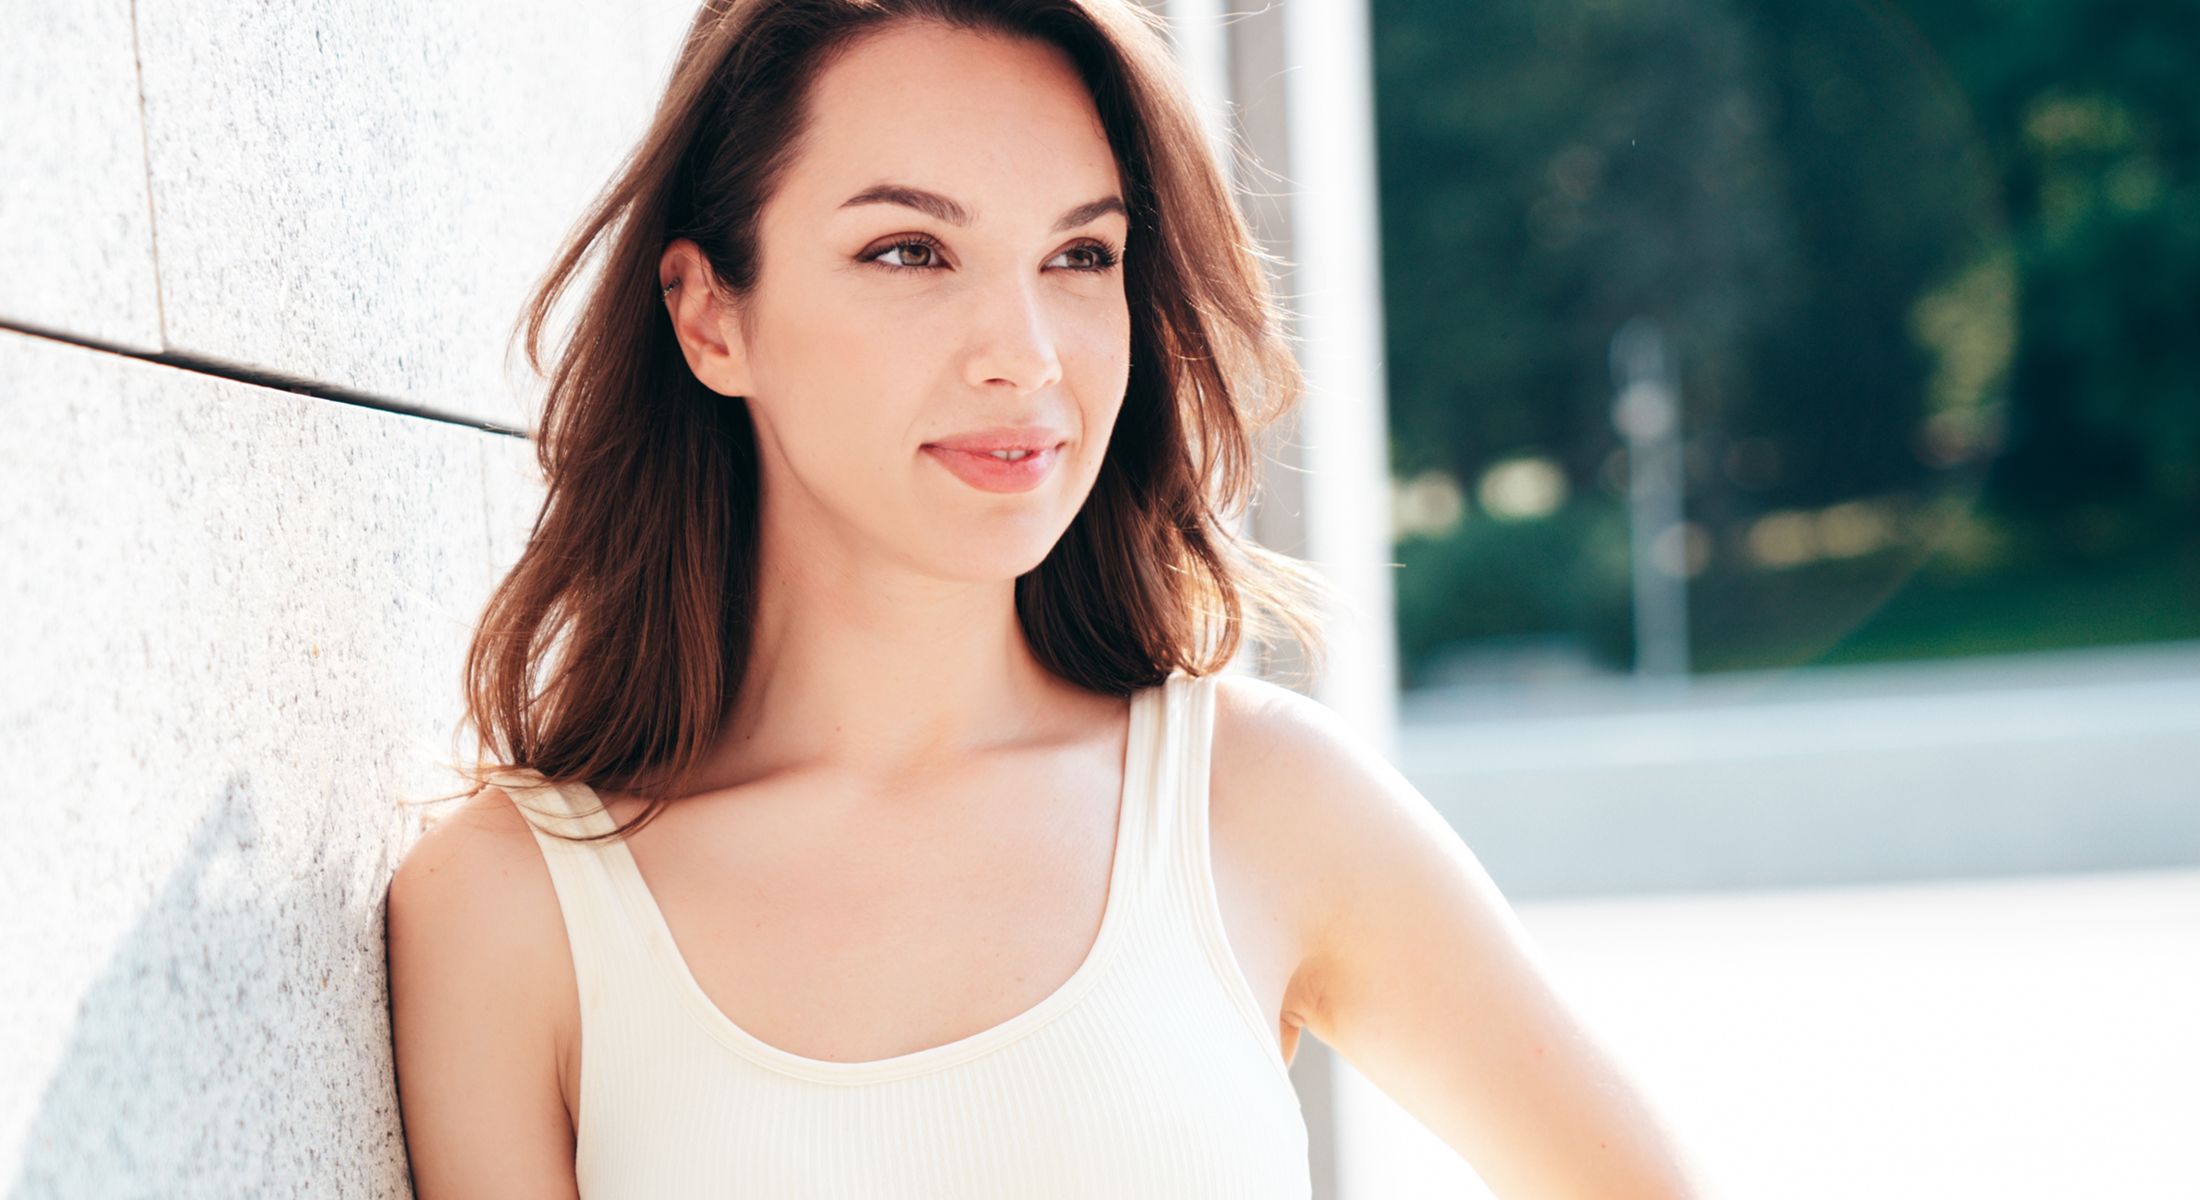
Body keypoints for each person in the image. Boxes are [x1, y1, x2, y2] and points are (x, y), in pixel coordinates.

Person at [385, 1, 1707, 1196]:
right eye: (909, 252)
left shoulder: (1253, 800)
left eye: (1080, 258)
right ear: (710, 316)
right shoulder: (511, 917)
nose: (1025, 357)